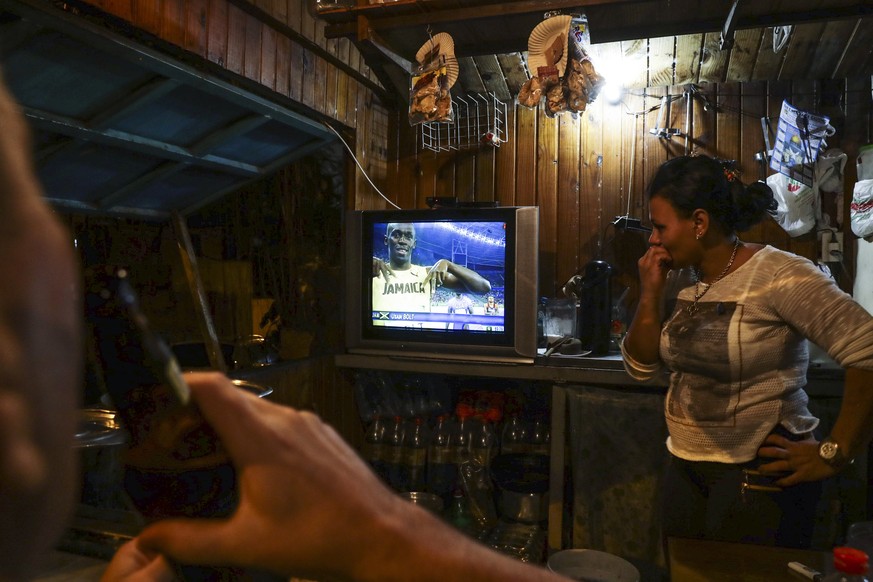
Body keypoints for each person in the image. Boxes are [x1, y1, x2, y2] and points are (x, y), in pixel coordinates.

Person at [0, 73, 567, 582]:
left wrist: (455, 266)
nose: (397, 239)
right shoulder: (370, 269)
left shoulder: (429, 269)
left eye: (404, 237)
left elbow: (484, 291)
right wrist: (390, 537)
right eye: (23, 202)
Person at [621, 154, 873, 549]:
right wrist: (650, 293)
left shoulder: (777, 274)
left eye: (659, 227)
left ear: (699, 223)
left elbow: (866, 346)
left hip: (759, 475)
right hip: (686, 464)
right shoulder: (680, 278)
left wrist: (834, 453)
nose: (652, 239)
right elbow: (640, 367)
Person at [372, 222, 491, 327]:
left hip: (419, 345)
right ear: (386, 240)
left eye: (408, 237)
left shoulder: (427, 274)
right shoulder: (373, 271)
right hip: (383, 344)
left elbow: (483, 287)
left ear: (414, 243)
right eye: (396, 235)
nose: (402, 240)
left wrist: (449, 264)